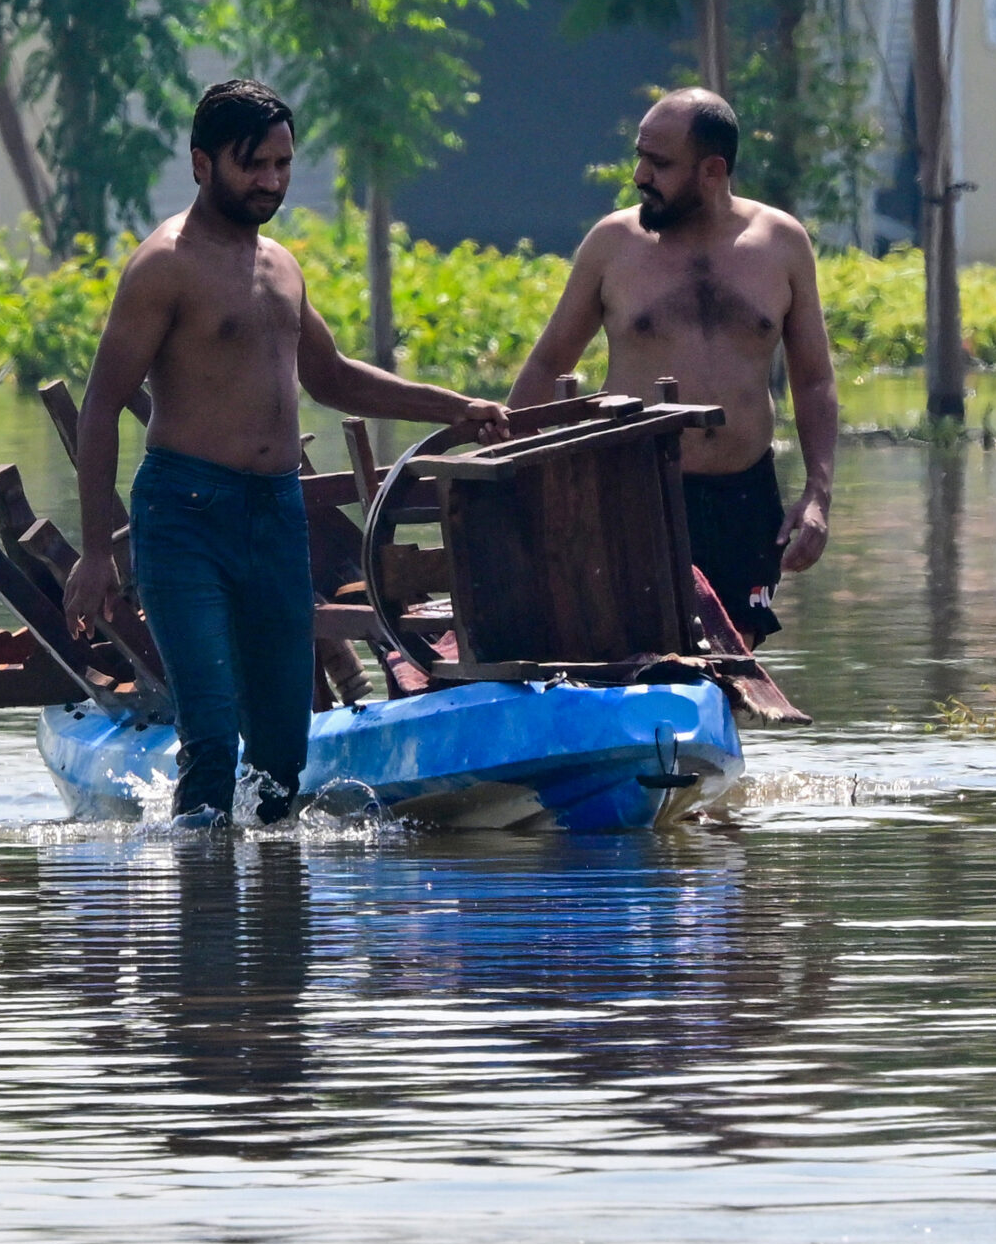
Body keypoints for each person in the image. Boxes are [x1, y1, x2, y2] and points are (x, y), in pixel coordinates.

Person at [62, 80, 509, 828]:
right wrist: (98, 549)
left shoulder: (280, 266)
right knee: (212, 737)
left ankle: (272, 930)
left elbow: (333, 377)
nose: (271, 181)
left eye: (282, 164)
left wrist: (454, 406)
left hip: (274, 517)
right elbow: (100, 405)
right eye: (253, 165)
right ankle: (200, 921)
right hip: (185, 516)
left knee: (280, 753)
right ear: (203, 164)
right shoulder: (163, 265)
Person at [507, 88, 837, 643]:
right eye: (639, 156)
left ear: (712, 170)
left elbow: (815, 379)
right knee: (637, 652)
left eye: (659, 163)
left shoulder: (782, 244)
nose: (640, 175)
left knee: (734, 659)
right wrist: (505, 478)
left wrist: (818, 495)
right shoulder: (613, 245)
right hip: (634, 493)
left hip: (743, 496)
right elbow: (546, 365)